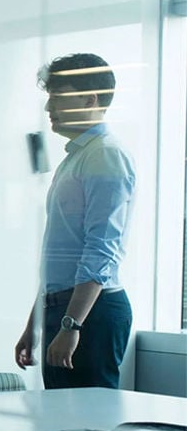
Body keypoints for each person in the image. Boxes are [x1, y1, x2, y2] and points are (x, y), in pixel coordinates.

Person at [14, 53, 135, 389]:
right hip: (67, 310)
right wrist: (34, 323)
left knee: (87, 425)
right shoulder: (77, 157)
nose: (48, 107)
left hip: (88, 313)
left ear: (89, 99)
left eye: (57, 96)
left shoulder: (105, 155)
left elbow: (101, 248)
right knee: (58, 423)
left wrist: (71, 325)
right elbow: (60, 253)